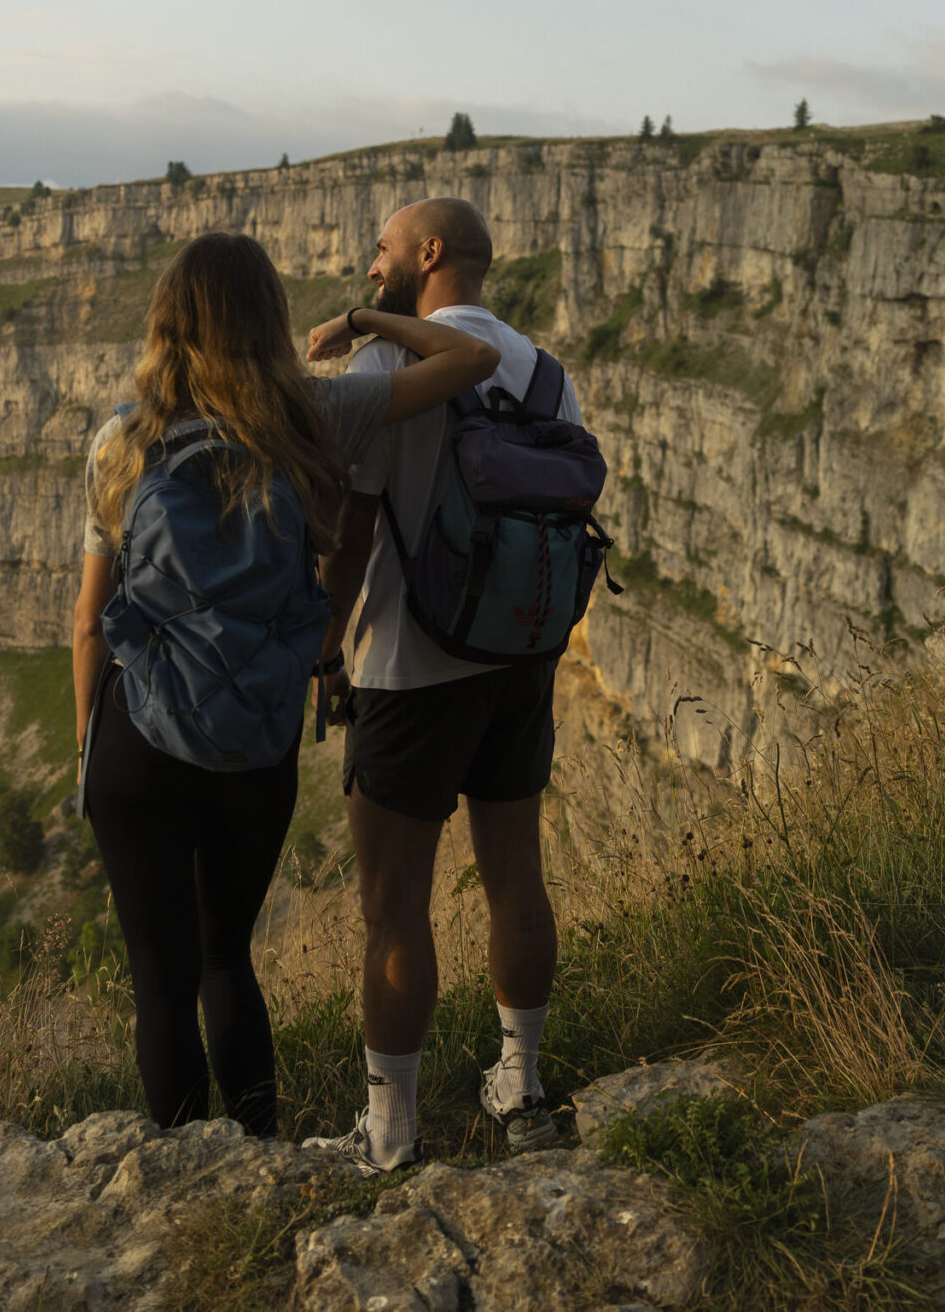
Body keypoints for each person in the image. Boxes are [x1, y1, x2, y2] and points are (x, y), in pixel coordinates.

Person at [69, 230, 500, 1138]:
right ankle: (259, 1162)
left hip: (137, 741)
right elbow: (474, 355)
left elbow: (88, 620)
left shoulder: (123, 436)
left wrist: (89, 751)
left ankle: (182, 1181)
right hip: (255, 739)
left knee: (161, 983)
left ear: (167, 322)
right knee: (228, 962)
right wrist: (361, 319)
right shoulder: (316, 414)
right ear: (268, 322)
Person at [300, 197, 587, 1171]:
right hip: (519, 661)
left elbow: (354, 529)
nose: (368, 263)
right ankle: (522, 1083)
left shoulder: (386, 361)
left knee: (395, 904)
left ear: (427, 254)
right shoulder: (550, 374)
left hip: (409, 667)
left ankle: (390, 1134)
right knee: (517, 876)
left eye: (379, 248)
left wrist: (326, 648)